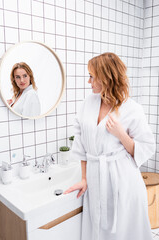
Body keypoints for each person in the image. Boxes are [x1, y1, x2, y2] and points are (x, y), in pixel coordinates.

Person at [64, 52, 155, 240]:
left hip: (122, 179)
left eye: (92, 76)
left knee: (123, 231)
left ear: (106, 78)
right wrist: (84, 178)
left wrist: (121, 134)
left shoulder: (132, 108)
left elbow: (145, 148)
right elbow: (80, 143)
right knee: (98, 230)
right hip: (96, 177)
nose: (89, 82)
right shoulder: (87, 104)